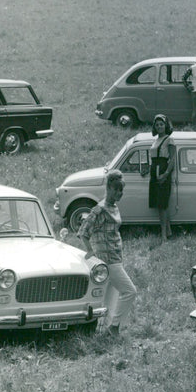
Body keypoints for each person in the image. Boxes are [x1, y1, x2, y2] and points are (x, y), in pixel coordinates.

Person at [77, 170, 137, 336]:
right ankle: (115, 327)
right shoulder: (100, 209)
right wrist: (90, 250)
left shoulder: (114, 207)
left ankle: (103, 328)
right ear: (108, 188)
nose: (119, 193)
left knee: (110, 296)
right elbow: (83, 231)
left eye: (121, 190)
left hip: (116, 256)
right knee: (130, 291)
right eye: (116, 189)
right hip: (108, 259)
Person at [148, 114, 176, 243]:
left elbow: (172, 160)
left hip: (163, 171)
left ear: (166, 125)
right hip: (154, 171)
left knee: (162, 204)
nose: (159, 127)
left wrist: (165, 175)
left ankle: (163, 234)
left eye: (161, 124)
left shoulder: (169, 140)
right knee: (159, 204)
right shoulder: (155, 141)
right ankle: (169, 232)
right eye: (157, 125)